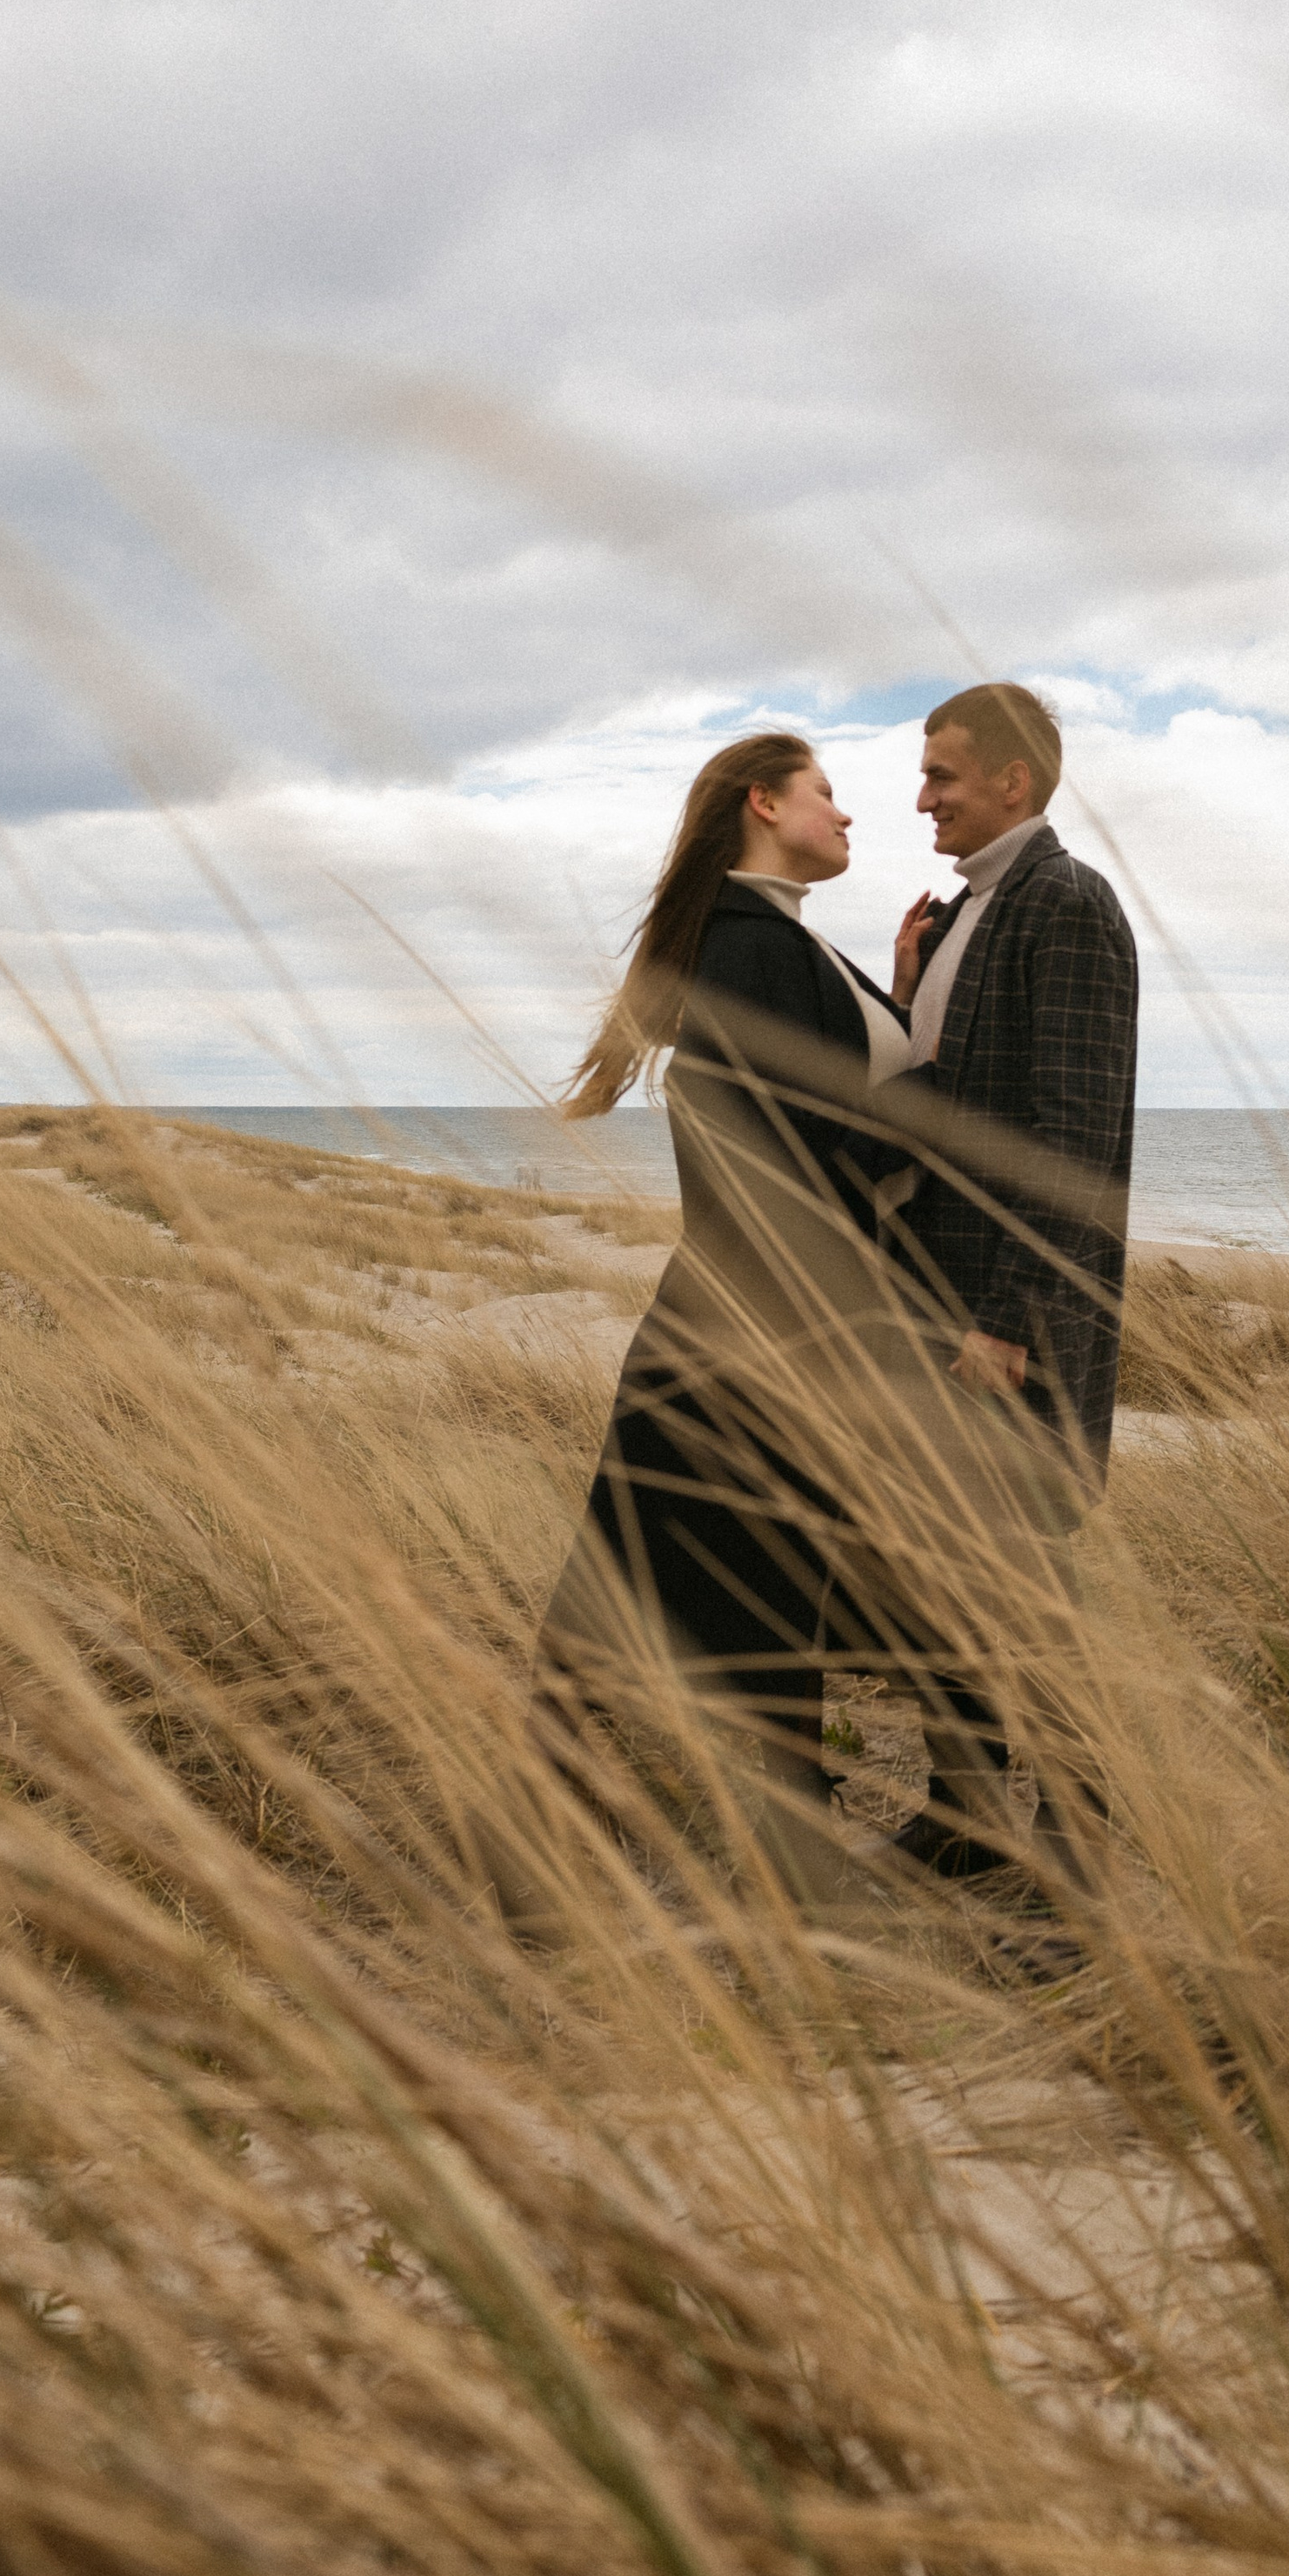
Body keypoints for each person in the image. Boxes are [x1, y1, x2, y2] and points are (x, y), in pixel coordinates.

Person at [528, 731, 916, 1906]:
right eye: (825, 793)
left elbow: (813, 1109)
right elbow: (790, 1154)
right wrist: (939, 1134)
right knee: (704, 1586)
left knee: (707, 1582)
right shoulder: (753, 950)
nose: (848, 814)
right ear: (764, 803)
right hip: (750, 1331)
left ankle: (572, 1847)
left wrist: (897, 999)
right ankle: (566, 1853)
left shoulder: (782, 943)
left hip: (749, 1322)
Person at [881, 682, 1140, 1886]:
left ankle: (1080, 1836)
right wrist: (906, 990)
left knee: (1026, 1579)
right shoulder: (967, 917)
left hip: (1007, 1317)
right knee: (946, 1569)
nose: (921, 798)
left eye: (940, 774)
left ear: (1012, 781)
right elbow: (939, 1112)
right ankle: (966, 1814)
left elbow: (1069, 1143)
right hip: (940, 1302)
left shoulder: (1066, 904)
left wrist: (1007, 1322)